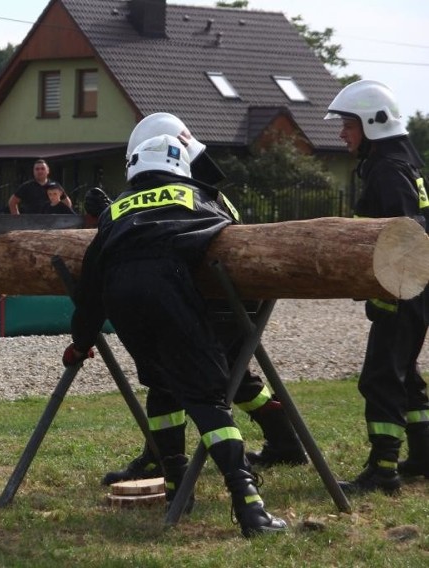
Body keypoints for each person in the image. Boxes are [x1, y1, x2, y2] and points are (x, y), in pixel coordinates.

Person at [64, 134, 287, 538]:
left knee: (162, 386)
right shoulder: (197, 198)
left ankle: (177, 490)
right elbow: (234, 239)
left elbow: (89, 288)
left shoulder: (115, 211)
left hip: (121, 301)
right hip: (167, 291)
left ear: (134, 166)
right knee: (207, 400)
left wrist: (80, 342)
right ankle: (250, 507)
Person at [101, 112, 306, 487]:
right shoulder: (207, 191)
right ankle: (285, 442)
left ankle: (165, 460)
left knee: (174, 383)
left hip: (211, 311)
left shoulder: (198, 194)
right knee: (237, 383)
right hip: (226, 307)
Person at [324, 80, 429, 492]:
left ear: (372, 124)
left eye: (347, 125)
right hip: (410, 288)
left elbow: (408, 229)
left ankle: (383, 470)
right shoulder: (395, 162)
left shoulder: (388, 169)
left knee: (380, 377)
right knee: (403, 376)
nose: (341, 133)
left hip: (403, 288)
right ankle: (423, 457)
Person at [8, 159, 73, 214]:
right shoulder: (26, 186)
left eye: (42, 169)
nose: (40, 171)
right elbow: (12, 202)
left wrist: (64, 219)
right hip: (31, 223)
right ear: (33, 171)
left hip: (51, 223)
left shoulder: (55, 185)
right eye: (37, 169)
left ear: (48, 171)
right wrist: (18, 220)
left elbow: (67, 202)